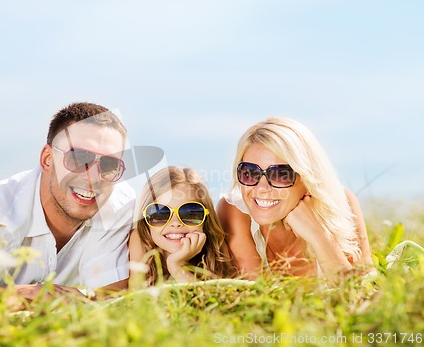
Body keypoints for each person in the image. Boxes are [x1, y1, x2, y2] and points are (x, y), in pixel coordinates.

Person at [0, 102, 136, 308]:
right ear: (47, 159)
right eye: (79, 158)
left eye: (110, 164)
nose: (93, 178)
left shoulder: (119, 205)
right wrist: (5, 297)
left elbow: (110, 304)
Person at [217, 117, 374, 283]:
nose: (261, 188)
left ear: (307, 179)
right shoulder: (234, 211)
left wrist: (318, 236)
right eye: (250, 172)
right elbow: (259, 297)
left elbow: (363, 295)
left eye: (280, 174)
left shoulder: (342, 204)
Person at [129, 166, 237, 285]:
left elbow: (214, 301)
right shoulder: (140, 240)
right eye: (160, 214)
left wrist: (177, 267)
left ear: (206, 218)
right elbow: (137, 300)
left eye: (190, 213)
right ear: (145, 221)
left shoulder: (216, 248)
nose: (175, 223)